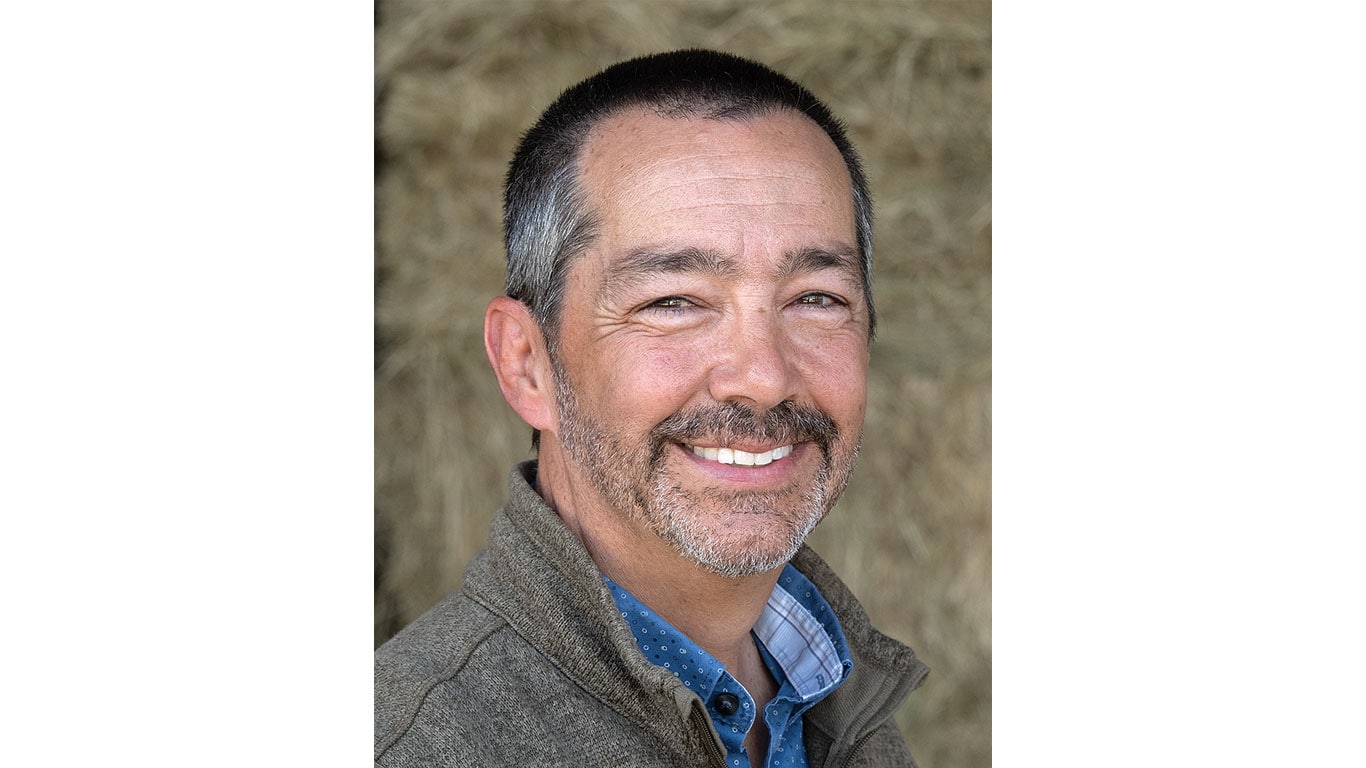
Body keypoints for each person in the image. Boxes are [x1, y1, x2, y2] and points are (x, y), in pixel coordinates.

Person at [374, 49, 929, 768]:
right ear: (526, 362)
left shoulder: (845, 711)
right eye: (673, 303)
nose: (763, 378)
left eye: (816, 299)